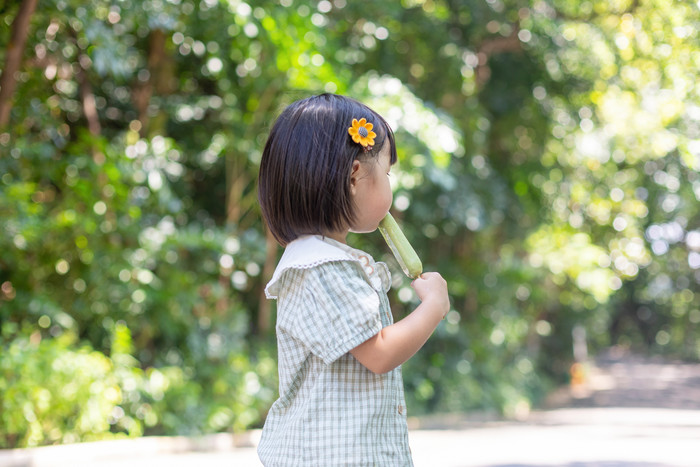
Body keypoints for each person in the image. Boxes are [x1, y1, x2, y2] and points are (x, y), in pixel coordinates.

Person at [256, 93, 450, 466]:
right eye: (388, 173)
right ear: (355, 176)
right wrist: (434, 307)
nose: (390, 186)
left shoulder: (323, 262)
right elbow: (378, 353)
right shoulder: (321, 267)